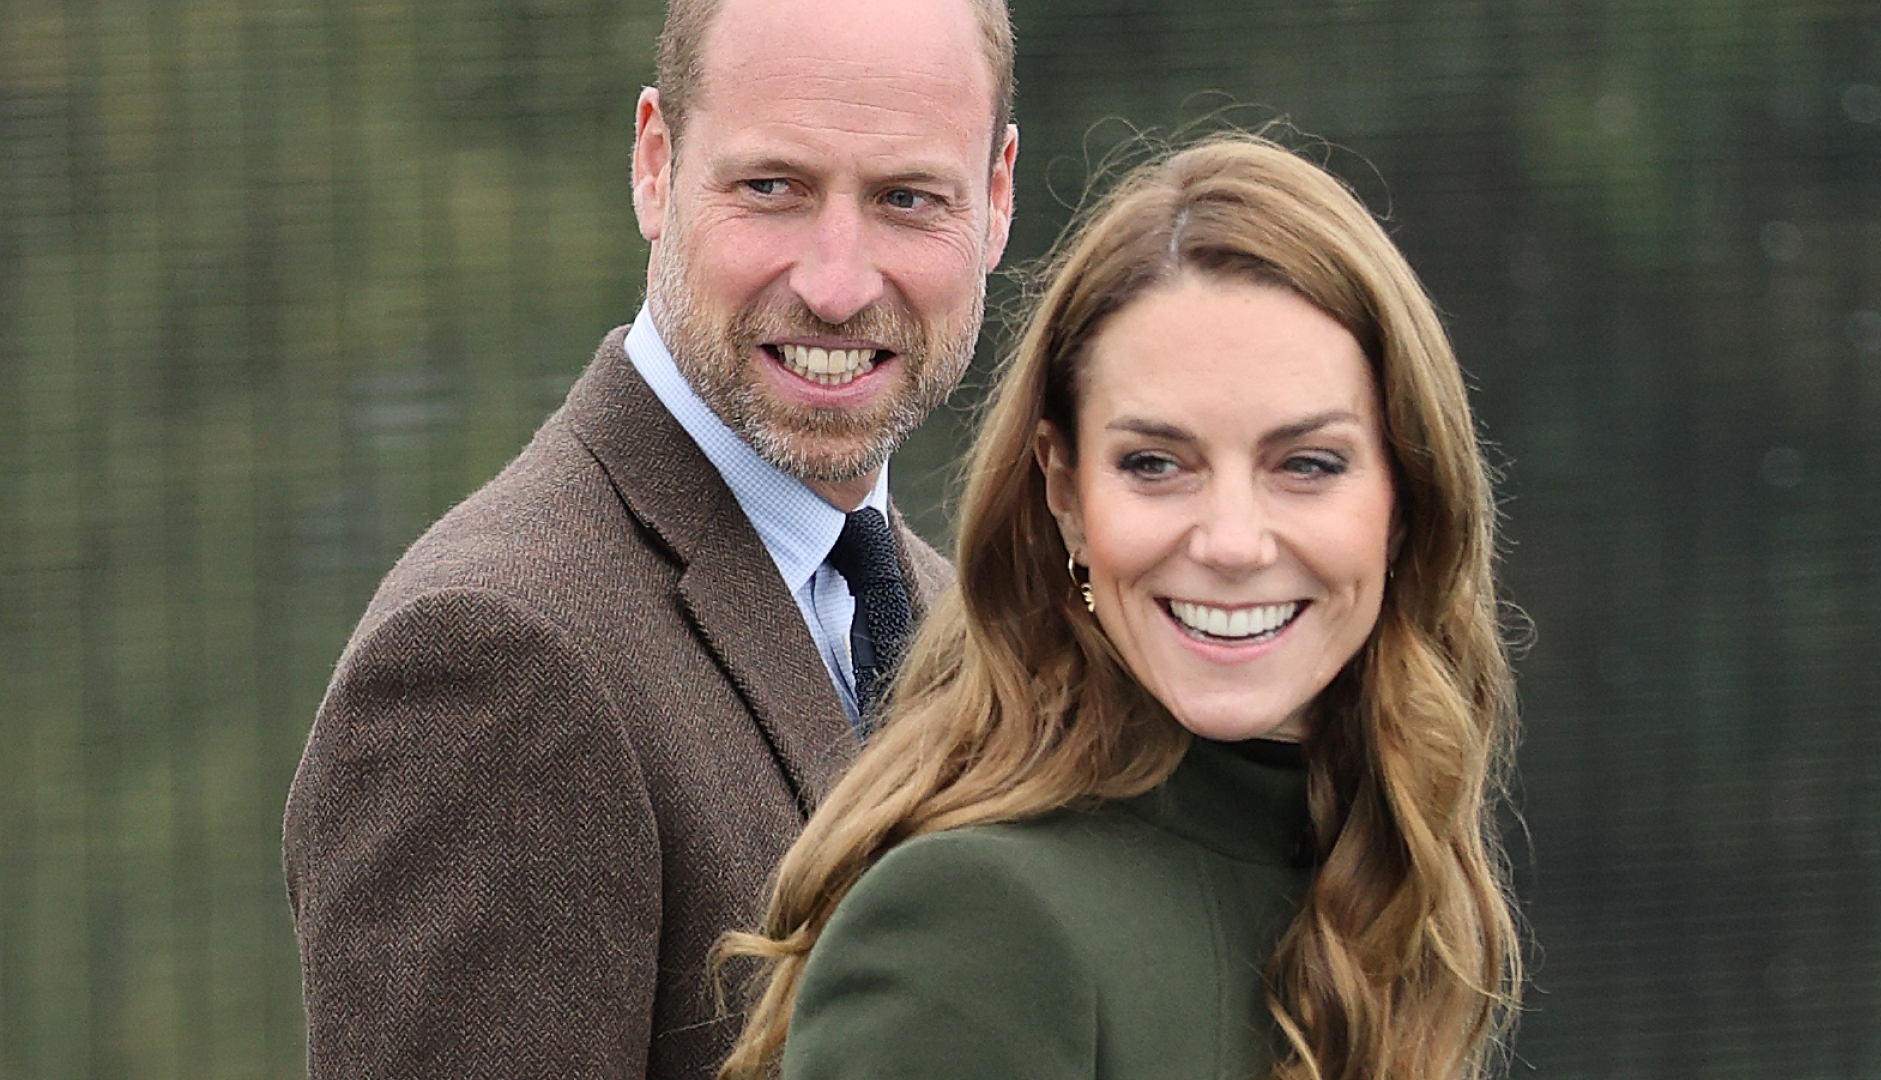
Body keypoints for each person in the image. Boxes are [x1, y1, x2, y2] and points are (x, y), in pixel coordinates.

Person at [280, 0, 1017, 1073]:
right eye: (773, 188)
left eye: (909, 198)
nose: (836, 282)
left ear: (995, 199)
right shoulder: (493, 659)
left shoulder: (969, 634)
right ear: (654, 163)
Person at [718, 134, 1522, 1080]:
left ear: (1405, 500)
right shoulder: (976, 928)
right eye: (1156, 465)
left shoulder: (1389, 897)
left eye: (1306, 464)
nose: (1231, 542)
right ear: (1065, 492)